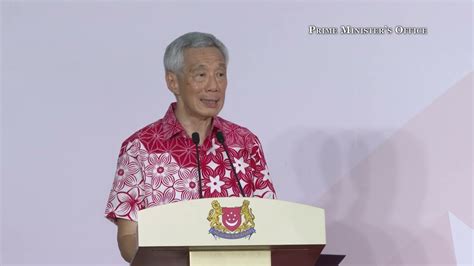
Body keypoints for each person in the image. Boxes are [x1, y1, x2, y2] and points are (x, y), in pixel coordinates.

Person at [104, 32, 277, 262]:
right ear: (172, 81)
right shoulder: (140, 147)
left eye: (220, 74)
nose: (214, 86)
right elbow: (128, 236)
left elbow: (271, 221)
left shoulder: (245, 143)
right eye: (201, 75)